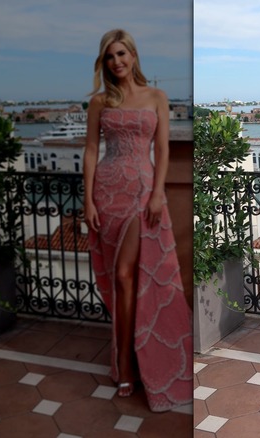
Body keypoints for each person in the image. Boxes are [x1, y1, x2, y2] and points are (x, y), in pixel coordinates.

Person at [83, 29, 192, 411]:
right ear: (106, 63)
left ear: (133, 56)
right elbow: (92, 150)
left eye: (122, 54)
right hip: (108, 192)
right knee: (119, 278)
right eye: (110, 56)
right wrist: (88, 201)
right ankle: (125, 359)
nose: (117, 62)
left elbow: (162, 148)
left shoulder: (157, 97)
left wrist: (159, 191)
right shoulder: (100, 101)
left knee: (130, 275)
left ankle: (132, 360)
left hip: (143, 192)